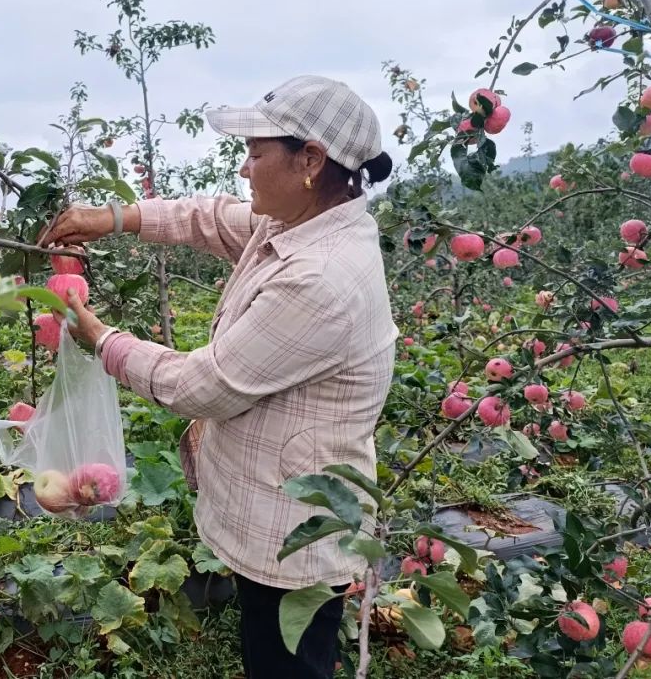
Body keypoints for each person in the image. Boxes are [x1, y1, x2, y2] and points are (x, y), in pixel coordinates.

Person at [41, 75, 397, 678]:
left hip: (298, 533)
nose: (244, 169)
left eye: (256, 154)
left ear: (309, 159)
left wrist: (102, 340)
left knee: (288, 665)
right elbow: (205, 218)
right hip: (275, 504)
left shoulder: (321, 278)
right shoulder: (296, 220)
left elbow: (199, 386)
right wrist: (113, 217)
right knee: (272, 654)